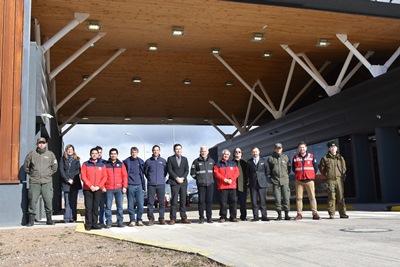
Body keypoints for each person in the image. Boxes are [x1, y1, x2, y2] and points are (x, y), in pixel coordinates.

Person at [24, 137, 58, 226]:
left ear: (45, 144)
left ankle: (49, 219)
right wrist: (32, 174)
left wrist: (48, 174)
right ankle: (31, 220)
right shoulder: (32, 154)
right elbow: (26, 167)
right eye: (40, 143)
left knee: (48, 200)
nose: (41, 144)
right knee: (32, 200)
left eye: (43, 143)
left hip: (47, 181)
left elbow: (55, 167)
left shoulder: (50, 154)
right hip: (34, 182)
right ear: (37, 144)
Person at [319, 141, 349, 219]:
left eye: (334, 147)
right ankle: (331, 213)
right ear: (329, 148)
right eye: (331, 147)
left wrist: (341, 174)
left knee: (341, 197)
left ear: (337, 148)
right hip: (330, 180)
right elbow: (321, 169)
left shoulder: (340, 158)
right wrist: (327, 176)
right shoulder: (325, 158)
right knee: (331, 197)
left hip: (339, 179)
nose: (333, 148)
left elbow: (344, 168)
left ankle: (342, 213)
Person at [292, 141, 321, 220]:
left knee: (312, 197)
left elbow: (316, 168)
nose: (302, 149)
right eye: (300, 147)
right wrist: (300, 174)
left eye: (303, 147)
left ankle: (315, 214)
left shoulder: (311, 156)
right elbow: (294, 169)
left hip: (309, 180)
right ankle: (299, 214)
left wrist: (310, 175)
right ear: (298, 149)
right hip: (299, 181)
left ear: (306, 148)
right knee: (299, 198)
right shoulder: (295, 157)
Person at [81, 147, 107, 231]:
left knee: (96, 207)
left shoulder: (102, 165)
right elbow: (83, 176)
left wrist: (98, 186)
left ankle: (95, 223)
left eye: (96, 153)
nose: (94, 155)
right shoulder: (85, 164)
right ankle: (88, 224)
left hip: (97, 189)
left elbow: (104, 177)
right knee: (88, 207)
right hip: (88, 189)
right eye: (93, 153)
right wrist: (90, 186)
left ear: (98, 154)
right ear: (90, 154)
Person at [167, 144, 191, 225]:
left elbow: (187, 170)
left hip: (183, 183)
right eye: (177, 149)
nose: (178, 150)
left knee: (183, 201)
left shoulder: (185, 159)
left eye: (180, 149)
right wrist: (177, 178)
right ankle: (173, 218)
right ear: (174, 150)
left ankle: (183, 217)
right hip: (174, 182)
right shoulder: (170, 159)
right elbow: (170, 170)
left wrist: (183, 178)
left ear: (181, 150)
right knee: (174, 201)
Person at [190, 146, 215, 224]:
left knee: (209, 201)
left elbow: (215, 172)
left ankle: (209, 218)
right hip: (201, 185)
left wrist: (211, 179)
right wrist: (199, 179)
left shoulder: (212, 161)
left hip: (210, 184)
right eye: (202, 151)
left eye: (205, 151)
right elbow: (192, 173)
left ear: (208, 152)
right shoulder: (196, 161)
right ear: (200, 152)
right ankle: (201, 218)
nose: (203, 152)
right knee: (201, 201)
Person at [104, 148, 128, 228]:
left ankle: (120, 221)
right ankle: (109, 222)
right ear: (109, 155)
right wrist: (103, 186)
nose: (113, 155)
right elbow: (103, 176)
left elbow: (124, 176)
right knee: (108, 206)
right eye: (112, 154)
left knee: (120, 207)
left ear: (117, 155)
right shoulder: (106, 164)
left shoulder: (121, 164)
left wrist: (124, 186)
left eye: (115, 154)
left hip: (119, 188)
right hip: (108, 188)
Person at [214, 149, 239, 223]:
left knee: (233, 202)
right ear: (222, 155)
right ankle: (223, 217)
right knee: (223, 203)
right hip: (223, 186)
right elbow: (216, 173)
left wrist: (231, 179)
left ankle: (233, 217)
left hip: (232, 186)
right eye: (225, 154)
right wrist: (224, 179)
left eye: (227, 154)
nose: (226, 155)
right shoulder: (217, 164)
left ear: (229, 155)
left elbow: (237, 172)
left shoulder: (233, 163)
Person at [144, 145, 167, 226]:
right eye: (154, 150)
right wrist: (151, 179)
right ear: (152, 151)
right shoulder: (148, 161)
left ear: (159, 151)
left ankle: (161, 218)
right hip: (151, 184)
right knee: (150, 202)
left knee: (161, 203)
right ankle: (151, 219)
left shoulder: (163, 161)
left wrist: (161, 179)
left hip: (161, 184)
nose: (156, 151)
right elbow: (146, 172)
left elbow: (165, 172)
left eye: (157, 150)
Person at [267, 143, 291, 221]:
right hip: (275, 181)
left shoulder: (286, 158)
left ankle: (287, 215)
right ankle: (279, 215)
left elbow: (289, 169)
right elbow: (269, 170)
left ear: (282, 149)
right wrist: (273, 178)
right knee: (277, 199)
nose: (278, 149)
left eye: (279, 148)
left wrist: (285, 176)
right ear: (275, 149)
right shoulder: (271, 159)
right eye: (277, 148)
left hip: (285, 181)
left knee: (286, 198)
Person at [59, 144, 82, 223]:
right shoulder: (62, 159)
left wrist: (72, 179)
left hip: (74, 183)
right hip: (66, 183)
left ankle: (73, 218)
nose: (70, 151)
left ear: (73, 150)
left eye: (71, 149)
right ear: (66, 150)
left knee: (74, 201)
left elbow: (78, 170)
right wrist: (67, 179)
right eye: (68, 149)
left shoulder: (77, 159)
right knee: (67, 201)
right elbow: (61, 170)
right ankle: (66, 218)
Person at [246, 147, 270, 222]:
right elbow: (247, 173)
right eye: (253, 152)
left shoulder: (264, 161)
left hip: (262, 183)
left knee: (262, 201)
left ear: (259, 152)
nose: (255, 153)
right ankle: (256, 216)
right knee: (254, 201)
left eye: (256, 152)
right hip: (253, 184)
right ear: (251, 153)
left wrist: (261, 177)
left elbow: (268, 171)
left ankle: (264, 216)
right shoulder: (249, 162)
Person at [123, 147, 146, 226]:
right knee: (131, 204)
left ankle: (139, 220)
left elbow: (143, 174)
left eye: (135, 152)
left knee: (140, 204)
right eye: (132, 152)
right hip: (130, 185)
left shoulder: (141, 161)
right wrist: (125, 186)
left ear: (137, 152)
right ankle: (132, 220)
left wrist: (144, 187)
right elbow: (124, 174)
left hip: (139, 185)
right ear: (130, 153)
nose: (134, 153)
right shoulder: (126, 162)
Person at [232, 147, 248, 221]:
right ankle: (233, 216)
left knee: (243, 203)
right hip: (233, 186)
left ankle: (243, 216)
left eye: (239, 152)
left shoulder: (245, 163)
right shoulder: (231, 163)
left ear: (241, 153)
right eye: (236, 152)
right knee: (233, 202)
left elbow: (248, 174)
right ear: (234, 153)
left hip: (242, 186)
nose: (237, 153)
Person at [95, 145, 107, 227]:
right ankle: (94, 221)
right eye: (97, 152)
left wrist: (103, 187)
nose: (99, 154)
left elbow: (105, 176)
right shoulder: (92, 163)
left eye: (100, 152)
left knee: (103, 206)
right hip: (94, 188)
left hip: (103, 188)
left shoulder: (105, 163)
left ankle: (102, 221)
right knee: (95, 206)